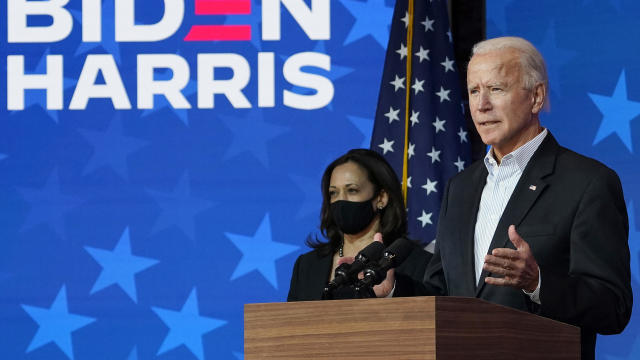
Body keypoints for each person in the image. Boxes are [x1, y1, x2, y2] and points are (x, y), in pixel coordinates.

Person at [419, 36, 632, 360]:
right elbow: (440, 291)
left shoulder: (587, 183)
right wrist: (393, 291)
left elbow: (613, 307)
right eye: (474, 90)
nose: (481, 105)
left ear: (536, 96)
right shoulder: (459, 188)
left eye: (496, 89)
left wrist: (538, 283)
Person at [287, 149, 432, 301]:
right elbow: (290, 323)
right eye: (333, 193)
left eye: (352, 190)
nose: (341, 200)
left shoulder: (419, 262)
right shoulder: (307, 266)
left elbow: (433, 315)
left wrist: (392, 290)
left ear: (381, 198)